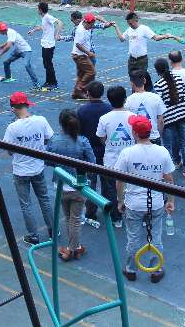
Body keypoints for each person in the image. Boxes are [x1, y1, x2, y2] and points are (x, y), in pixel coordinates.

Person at [115, 115, 175, 283]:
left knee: (133, 238)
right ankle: (156, 269)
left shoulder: (127, 153)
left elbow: (119, 181)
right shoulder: (162, 151)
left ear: (135, 133)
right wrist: (171, 200)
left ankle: (130, 269)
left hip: (134, 203)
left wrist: (120, 200)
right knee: (156, 237)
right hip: (155, 202)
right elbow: (169, 179)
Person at [3, 91, 55, 245]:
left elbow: (9, 150)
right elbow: (49, 138)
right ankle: (53, 230)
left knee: (26, 204)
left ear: (13, 108)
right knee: (44, 199)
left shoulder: (12, 128)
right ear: (27, 105)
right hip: (38, 167)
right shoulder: (41, 120)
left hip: (21, 170)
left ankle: (33, 235)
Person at [46, 109, 95, 261]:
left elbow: (48, 161)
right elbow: (92, 162)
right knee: (75, 219)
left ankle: (74, 246)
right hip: (78, 185)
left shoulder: (54, 140)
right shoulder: (83, 141)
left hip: (60, 184)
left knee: (68, 217)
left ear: (61, 123)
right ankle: (72, 249)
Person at [95, 85, 136, 228]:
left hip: (111, 160)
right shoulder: (133, 117)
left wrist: (110, 144)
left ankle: (116, 217)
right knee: (132, 188)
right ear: (125, 99)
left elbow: (101, 137)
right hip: (130, 160)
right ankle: (133, 214)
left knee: (111, 190)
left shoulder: (104, 118)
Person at [76, 81, 112, 223]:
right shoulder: (109, 109)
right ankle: (109, 208)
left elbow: (79, 132)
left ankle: (91, 212)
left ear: (88, 93)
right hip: (105, 149)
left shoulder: (82, 110)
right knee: (107, 182)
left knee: (91, 183)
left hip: (89, 151)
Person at [153, 58, 185, 179]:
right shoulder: (178, 78)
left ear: (157, 71)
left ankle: (168, 172)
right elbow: (184, 94)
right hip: (182, 114)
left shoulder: (158, 85)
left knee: (167, 146)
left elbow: (158, 104)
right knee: (184, 143)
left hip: (168, 118)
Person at [114, 12, 163, 81]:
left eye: (131, 23)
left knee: (141, 79)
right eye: (128, 23)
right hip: (132, 59)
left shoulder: (144, 28)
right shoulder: (129, 30)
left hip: (142, 60)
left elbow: (156, 38)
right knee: (132, 79)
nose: (130, 25)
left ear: (136, 20)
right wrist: (116, 27)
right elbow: (122, 39)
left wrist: (166, 36)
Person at [27, 2, 62, 90]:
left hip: (49, 45)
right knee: (46, 64)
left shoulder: (47, 17)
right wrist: (33, 30)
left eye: (38, 9)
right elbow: (43, 27)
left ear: (40, 10)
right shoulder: (44, 18)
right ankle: (48, 81)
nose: (37, 10)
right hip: (45, 44)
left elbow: (60, 23)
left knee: (48, 64)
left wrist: (57, 34)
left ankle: (54, 83)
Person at [125, 70, 166, 145]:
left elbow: (128, 123)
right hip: (154, 136)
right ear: (144, 81)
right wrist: (158, 134)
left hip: (138, 138)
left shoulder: (128, 101)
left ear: (131, 83)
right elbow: (161, 121)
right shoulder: (156, 97)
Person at [0, 21, 40, 88]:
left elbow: (8, 46)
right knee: (6, 62)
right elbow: (10, 40)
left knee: (27, 65)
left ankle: (36, 84)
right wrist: (3, 45)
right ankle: (8, 78)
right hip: (18, 51)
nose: (3, 30)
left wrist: (0, 54)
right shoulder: (8, 31)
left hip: (26, 51)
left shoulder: (10, 32)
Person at [71, 13, 97, 99]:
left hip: (79, 55)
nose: (92, 26)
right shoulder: (80, 31)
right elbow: (78, 44)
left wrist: (104, 21)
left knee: (81, 74)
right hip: (80, 56)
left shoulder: (85, 25)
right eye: (91, 25)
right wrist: (89, 53)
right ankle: (79, 89)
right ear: (87, 23)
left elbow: (96, 17)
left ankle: (75, 94)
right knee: (91, 72)